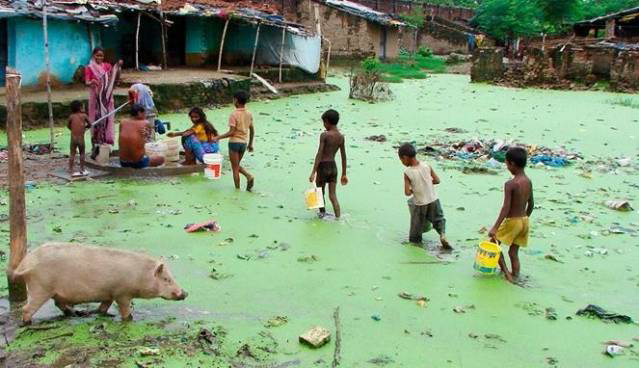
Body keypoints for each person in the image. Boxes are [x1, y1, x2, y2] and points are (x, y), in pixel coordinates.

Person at [488, 147, 534, 283]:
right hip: (524, 221)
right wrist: (524, 219)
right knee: (513, 253)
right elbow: (531, 204)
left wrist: (495, 227)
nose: (507, 167)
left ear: (512, 164)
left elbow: (506, 207)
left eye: (507, 164)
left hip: (513, 221)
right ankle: (516, 275)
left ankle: (507, 275)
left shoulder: (511, 184)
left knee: (493, 244)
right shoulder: (528, 181)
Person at [398, 143, 452, 251]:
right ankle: (442, 235)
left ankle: (417, 246)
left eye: (401, 160)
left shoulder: (407, 172)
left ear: (405, 157)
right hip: (433, 199)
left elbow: (407, 193)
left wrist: (415, 189)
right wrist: (426, 184)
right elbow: (437, 180)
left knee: (416, 230)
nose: (402, 162)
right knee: (439, 219)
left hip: (419, 204)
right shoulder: (427, 165)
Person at [308, 109, 348, 218]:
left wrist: (313, 172)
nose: (324, 125)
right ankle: (338, 217)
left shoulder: (324, 135)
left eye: (324, 122)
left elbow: (319, 154)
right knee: (333, 195)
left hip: (323, 167)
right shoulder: (341, 137)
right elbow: (344, 156)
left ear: (327, 121)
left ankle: (322, 214)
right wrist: (344, 173)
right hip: (333, 168)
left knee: (320, 192)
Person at [85, 47, 122, 158]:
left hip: (107, 98)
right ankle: (95, 145)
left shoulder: (107, 66)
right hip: (95, 98)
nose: (99, 58)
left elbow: (113, 78)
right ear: (93, 55)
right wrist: (92, 82)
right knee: (95, 119)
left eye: (101, 56)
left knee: (108, 118)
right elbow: (87, 81)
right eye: (97, 55)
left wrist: (118, 68)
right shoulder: (89, 67)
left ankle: (107, 144)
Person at [214, 91, 255, 191]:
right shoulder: (249, 114)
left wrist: (218, 137)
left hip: (234, 143)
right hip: (243, 144)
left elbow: (231, 132)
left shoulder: (234, 114)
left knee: (235, 168)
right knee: (236, 165)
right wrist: (250, 144)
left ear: (236, 100)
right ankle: (248, 177)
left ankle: (238, 188)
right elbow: (252, 130)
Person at [119, 104, 164, 169]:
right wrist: (146, 135)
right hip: (137, 163)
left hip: (123, 162)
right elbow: (148, 137)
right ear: (139, 113)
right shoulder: (145, 123)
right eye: (144, 113)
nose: (145, 115)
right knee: (161, 159)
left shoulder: (122, 122)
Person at [67, 101, 90, 177]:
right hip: (81, 139)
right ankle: (82, 168)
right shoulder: (84, 116)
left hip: (73, 138)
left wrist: (73, 129)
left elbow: (68, 126)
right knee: (82, 153)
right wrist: (85, 127)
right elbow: (90, 124)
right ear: (80, 108)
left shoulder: (71, 116)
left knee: (72, 154)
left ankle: (70, 169)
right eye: (82, 107)